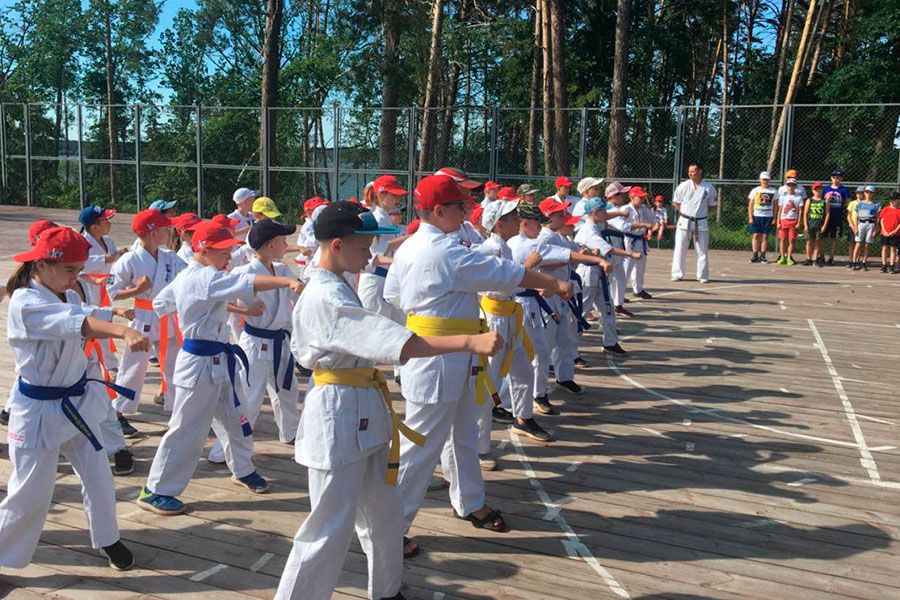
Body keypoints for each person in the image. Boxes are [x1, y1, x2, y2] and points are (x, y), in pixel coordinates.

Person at [275, 201, 502, 600]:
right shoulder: (326, 296)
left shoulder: (339, 282)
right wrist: (468, 341)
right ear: (338, 245)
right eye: (364, 247)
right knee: (329, 524)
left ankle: (386, 590)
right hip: (337, 411)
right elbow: (399, 342)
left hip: (364, 407)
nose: (370, 254)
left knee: (384, 512)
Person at [384, 175, 572, 556]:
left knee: (463, 434)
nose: (467, 210)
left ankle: (468, 500)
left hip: (452, 353)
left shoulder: (413, 246)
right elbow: (507, 274)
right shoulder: (444, 252)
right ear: (439, 211)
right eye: (459, 206)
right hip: (437, 358)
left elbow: (393, 294)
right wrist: (552, 283)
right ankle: (390, 527)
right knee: (419, 448)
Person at [0, 226, 149, 572]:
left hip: (76, 404)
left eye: (79, 270)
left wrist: (115, 313)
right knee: (30, 495)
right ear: (42, 265)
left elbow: (83, 309)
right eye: (70, 269)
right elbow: (77, 323)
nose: (75, 277)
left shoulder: (64, 295)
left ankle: (107, 537)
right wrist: (123, 331)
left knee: (99, 474)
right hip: (37, 412)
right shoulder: (25, 302)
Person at [136, 221, 304, 516]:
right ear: (204, 249)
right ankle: (157, 490)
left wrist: (197, 309)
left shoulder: (197, 276)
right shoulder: (201, 278)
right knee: (186, 429)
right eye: (223, 251)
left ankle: (242, 468)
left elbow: (163, 302)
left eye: (230, 250)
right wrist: (287, 282)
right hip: (198, 363)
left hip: (219, 360)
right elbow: (245, 284)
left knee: (235, 420)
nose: (229, 256)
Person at [207, 219, 302, 465]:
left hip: (280, 340)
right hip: (256, 343)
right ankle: (222, 451)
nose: (286, 244)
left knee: (287, 391)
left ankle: (290, 432)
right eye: (283, 241)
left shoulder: (281, 270)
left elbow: (297, 291)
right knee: (249, 398)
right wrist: (244, 312)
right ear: (271, 245)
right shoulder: (243, 273)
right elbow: (216, 300)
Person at [476, 200, 567, 449]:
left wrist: (533, 282)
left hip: (509, 315)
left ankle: (523, 418)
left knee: (523, 371)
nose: (518, 220)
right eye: (513, 217)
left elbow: (510, 282)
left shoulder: (503, 248)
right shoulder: (487, 250)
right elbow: (496, 283)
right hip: (494, 317)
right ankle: (478, 445)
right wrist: (529, 270)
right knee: (489, 380)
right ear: (498, 224)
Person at [108, 209, 187, 431]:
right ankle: (118, 412)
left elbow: (189, 276)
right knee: (133, 368)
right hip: (143, 317)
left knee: (173, 365)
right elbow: (110, 292)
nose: (169, 233)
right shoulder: (130, 260)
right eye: (165, 229)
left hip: (167, 317)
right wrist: (136, 290)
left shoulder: (169, 256)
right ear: (153, 233)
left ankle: (176, 411)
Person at [573, 198, 635, 356]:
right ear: (595, 213)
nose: (606, 213)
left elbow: (607, 220)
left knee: (608, 309)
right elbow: (609, 250)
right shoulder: (588, 230)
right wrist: (630, 253)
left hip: (599, 275)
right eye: (603, 210)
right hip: (588, 275)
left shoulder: (597, 225)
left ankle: (610, 342)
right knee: (581, 312)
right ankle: (570, 349)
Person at [79, 204, 126, 375]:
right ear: (93, 226)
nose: (109, 223)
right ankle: (103, 362)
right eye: (105, 221)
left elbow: (114, 266)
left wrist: (113, 280)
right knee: (96, 324)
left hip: (106, 289)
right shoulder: (82, 244)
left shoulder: (108, 241)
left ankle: (109, 362)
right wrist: (105, 260)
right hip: (89, 290)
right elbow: (80, 271)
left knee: (107, 322)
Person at [671, 163, 718, 282]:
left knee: (702, 250)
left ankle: (702, 276)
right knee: (680, 248)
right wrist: (686, 214)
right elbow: (676, 203)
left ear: (700, 171)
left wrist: (700, 214)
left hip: (701, 222)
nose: (691, 173)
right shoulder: (683, 186)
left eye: (694, 171)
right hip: (684, 221)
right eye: (690, 171)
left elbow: (712, 206)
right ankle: (677, 274)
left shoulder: (708, 187)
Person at [602, 182, 634, 317]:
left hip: (617, 245)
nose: (624, 198)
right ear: (613, 196)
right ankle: (603, 305)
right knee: (608, 279)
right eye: (621, 195)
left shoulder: (617, 209)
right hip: (610, 246)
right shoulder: (609, 210)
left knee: (620, 278)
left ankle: (618, 305)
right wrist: (644, 225)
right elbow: (623, 227)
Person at [623, 186, 656, 299]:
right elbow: (624, 227)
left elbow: (653, 219)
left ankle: (638, 289)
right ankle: (620, 293)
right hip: (628, 240)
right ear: (632, 197)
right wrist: (644, 225)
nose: (642, 199)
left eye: (643, 197)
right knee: (626, 267)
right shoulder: (625, 209)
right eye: (639, 197)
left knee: (640, 266)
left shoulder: (643, 209)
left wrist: (655, 224)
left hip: (640, 239)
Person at [747, 171, 778, 263]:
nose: (765, 181)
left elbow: (776, 206)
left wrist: (775, 218)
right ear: (760, 180)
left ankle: (763, 256)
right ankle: (755, 255)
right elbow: (750, 205)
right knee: (755, 235)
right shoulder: (755, 190)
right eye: (763, 179)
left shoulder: (773, 191)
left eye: (767, 179)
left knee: (765, 236)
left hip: (768, 216)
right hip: (756, 216)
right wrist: (750, 217)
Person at [823, 170, 850, 265]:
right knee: (823, 236)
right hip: (826, 216)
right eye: (834, 177)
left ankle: (831, 258)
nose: (836, 179)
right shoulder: (826, 189)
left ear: (841, 179)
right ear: (831, 178)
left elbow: (847, 202)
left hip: (837, 216)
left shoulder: (843, 190)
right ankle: (821, 255)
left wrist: (843, 208)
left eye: (838, 178)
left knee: (834, 237)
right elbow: (821, 201)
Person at [851, 185, 881, 271]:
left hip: (871, 224)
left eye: (870, 193)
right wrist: (856, 227)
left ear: (873, 194)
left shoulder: (876, 205)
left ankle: (864, 262)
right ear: (864, 193)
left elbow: (878, 218)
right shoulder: (860, 204)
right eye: (867, 192)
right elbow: (856, 216)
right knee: (858, 243)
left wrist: (876, 228)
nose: (868, 194)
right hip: (861, 224)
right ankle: (854, 262)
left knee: (867, 244)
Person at [776, 178, 803, 265]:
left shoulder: (799, 197)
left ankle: (789, 257)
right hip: (783, 220)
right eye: (789, 185)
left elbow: (800, 211)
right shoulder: (783, 197)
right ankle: (782, 257)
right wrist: (778, 221)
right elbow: (780, 210)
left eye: (793, 185)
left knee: (791, 240)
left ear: (795, 187)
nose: (791, 187)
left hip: (794, 221)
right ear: (786, 186)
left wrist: (799, 222)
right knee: (783, 239)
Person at [803, 182, 830, 267]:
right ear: (812, 190)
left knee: (817, 242)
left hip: (820, 224)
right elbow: (805, 213)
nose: (818, 191)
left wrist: (824, 225)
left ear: (822, 190)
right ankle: (808, 258)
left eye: (820, 189)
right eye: (816, 189)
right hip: (810, 224)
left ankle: (815, 259)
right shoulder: (809, 200)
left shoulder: (824, 201)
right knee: (809, 242)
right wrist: (805, 225)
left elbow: (827, 214)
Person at [879, 191, 900, 273]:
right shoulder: (885, 209)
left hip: (895, 234)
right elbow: (882, 220)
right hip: (884, 233)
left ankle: (892, 266)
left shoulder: (899, 210)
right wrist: (884, 230)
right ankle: (884, 265)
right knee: (884, 248)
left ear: (898, 200)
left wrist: (894, 231)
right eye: (891, 199)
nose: (892, 201)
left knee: (893, 249)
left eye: (894, 199)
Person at [846, 186, 865, 269]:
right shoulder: (852, 203)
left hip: (862, 226)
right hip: (853, 226)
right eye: (857, 193)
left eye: (861, 193)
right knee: (851, 243)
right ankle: (851, 260)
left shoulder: (865, 203)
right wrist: (852, 225)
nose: (859, 195)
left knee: (859, 244)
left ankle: (857, 260)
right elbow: (849, 216)